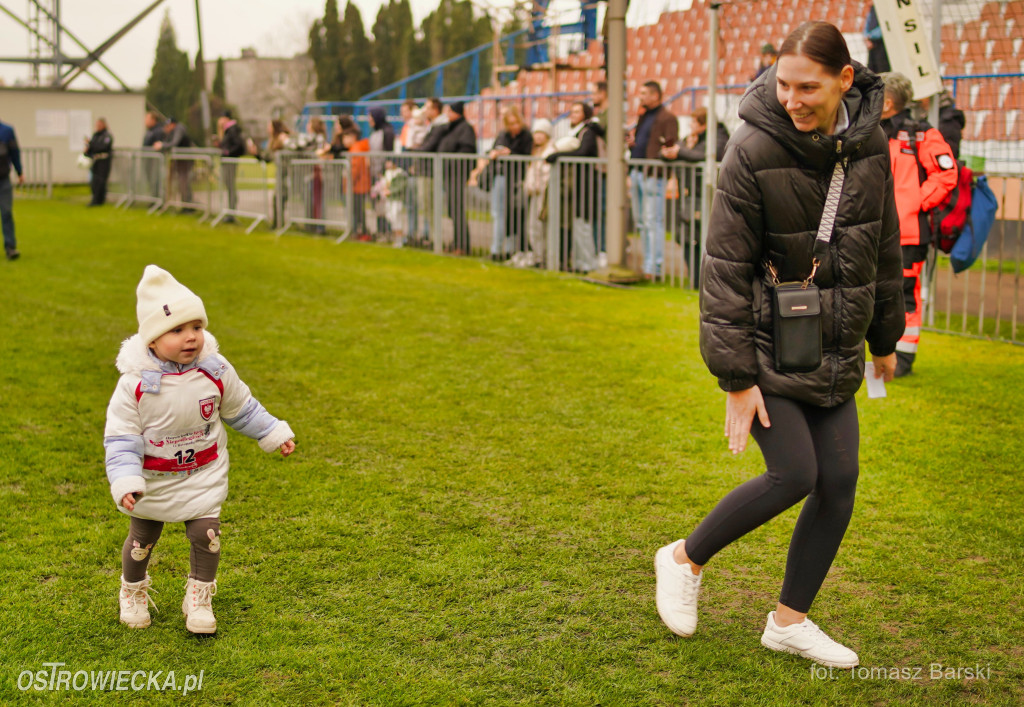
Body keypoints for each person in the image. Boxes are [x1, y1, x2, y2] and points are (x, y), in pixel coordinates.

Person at [656, 21, 904, 669]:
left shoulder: (872, 143)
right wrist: (736, 374)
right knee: (796, 471)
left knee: (840, 480)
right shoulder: (749, 147)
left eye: (808, 87)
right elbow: (724, 268)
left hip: (837, 341)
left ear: (846, 79)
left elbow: (882, 244)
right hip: (768, 341)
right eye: (782, 83)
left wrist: (885, 336)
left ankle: (788, 621)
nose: (791, 97)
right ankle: (683, 557)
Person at [105, 265, 295, 633]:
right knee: (143, 537)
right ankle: (132, 591)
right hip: (153, 476)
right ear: (152, 340)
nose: (191, 337)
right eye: (176, 330)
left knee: (205, 534)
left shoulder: (215, 369)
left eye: (196, 327)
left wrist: (271, 431)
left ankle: (199, 598)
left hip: (203, 471)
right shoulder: (134, 386)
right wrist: (126, 478)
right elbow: (122, 437)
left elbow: (242, 407)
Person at [879, 72, 958, 378]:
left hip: (909, 234)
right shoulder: (869, 131)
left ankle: (904, 359)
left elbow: (946, 174)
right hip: (873, 232)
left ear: (887, 102)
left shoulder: (923, 135)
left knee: (906, 294)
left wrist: (915, 203)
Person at [660, 107, 730, 286]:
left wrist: (679, 152)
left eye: (693, 122)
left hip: (708, 195)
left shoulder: (718, 136)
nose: (690, 126)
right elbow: (679, 151)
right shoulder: (690, 138)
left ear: (704, 124)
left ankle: (707, 280)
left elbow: (708, 156)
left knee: (704, 239)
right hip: (690, 196)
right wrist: (668, 153)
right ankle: (695, 279)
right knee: (684, 236)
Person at [628, 81, 678, 279]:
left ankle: (654, 268)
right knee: (641, 222)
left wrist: (661, 155)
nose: (640, 96)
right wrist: (634, 144)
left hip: (653, 175)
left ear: (655, 95)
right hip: (638, 172)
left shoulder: (668, 118)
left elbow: (670, 145)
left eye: (643, 93)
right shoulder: (643, 115)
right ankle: (647, 264)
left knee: (652, 221)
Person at [470, 105, 532, 260]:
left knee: (509, 214)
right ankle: (498, 249)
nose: (514, 127)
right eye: (510, 124)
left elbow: (526, 155)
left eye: (516, 123)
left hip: (516, 179)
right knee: (499, 213)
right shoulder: (503, 135)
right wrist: (495, 153)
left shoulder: (526, 136)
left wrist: (510, 153)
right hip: (500, 177)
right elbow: (492, 150)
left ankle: (504, 250)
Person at [546, 102, 602, 272]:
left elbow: (583, 152)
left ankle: (589, 264)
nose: (574, 114)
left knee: (583, 225)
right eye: (572, 111)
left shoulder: (588, 131)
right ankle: (579, 262)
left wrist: (558, 155)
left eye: (578, 111)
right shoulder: (573, 131)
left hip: (585, 184)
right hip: (574, 184)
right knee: (575, 225)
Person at [437, 101, 477, 255]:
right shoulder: (450, 128)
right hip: (449, 173)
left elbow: (467, 150)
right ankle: (456, 241)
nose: (447, 114)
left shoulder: (465, 128)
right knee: (452, 210)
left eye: (450, 111)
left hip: (458, 173)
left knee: (458, 209)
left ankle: (462, 244)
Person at [522, 118, 555, 268]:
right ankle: (537, 256)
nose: (538, 136)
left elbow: (546, 176)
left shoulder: (550, 151)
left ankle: (545, 258)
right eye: (536, 133)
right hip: (534, 194)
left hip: (544, 195)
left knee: (542, 227)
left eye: (542, 133)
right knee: (532, 227)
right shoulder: (535, 151)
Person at [153, 116, 195, 208]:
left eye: (168, 126)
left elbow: (174, 143)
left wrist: (162, 145)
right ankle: (184, 204)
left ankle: (188, 206)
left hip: (185, 161)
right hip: (180, 162)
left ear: (173, 124)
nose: (167, 128)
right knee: (180, 184)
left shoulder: (179, 129)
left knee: (184, 183)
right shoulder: (173, 131)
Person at [214, 112, 247, 221]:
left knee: (230, 186)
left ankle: (231, 212)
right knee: (228, 185)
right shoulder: (228, 130)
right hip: (227, 161)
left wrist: (228, 152)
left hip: (230, 161)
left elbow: (238, 145)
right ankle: (230, 211)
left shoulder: (232, 130)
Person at [341, 126, 372, 239]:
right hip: (358, 185)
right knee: (358, 211)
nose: (343, 140)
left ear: (352, 137)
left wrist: (348, 184)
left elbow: (355, 169)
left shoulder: (356, 149)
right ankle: (360, 232)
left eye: (345, 137)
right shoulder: (355, 148)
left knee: (358, 212)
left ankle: (363, 233)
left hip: (357, 186)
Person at [0, 117, 23, 260]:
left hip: (3, 179)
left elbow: (15, 152)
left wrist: (20, 172)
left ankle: (10, 247)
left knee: (6, 212)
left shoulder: (7, 131)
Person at [84, 118, 114, 207]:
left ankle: (99, 200)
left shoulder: (107, 136)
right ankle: (95, 199)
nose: (98, 127)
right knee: (94, 181)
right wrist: (87, 150)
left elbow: (103, 147)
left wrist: (91, 144)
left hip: (104, 161)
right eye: (97, 125)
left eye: (100, 125)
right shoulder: (95, 135)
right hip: (96, 160)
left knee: (101, 181)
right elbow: (91, 148)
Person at [142, 112, 165, 199]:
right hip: (148, 161)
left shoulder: (158, 131)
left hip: (154, 162)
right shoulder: (149, 131)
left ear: (153, 120)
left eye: (147, 119)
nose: (145, 121)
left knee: (155, 181)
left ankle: (158, 199)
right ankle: (153, 198)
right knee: (150, 181)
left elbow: (157, 146)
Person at [864, 5, 890, 74]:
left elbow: (886, 27)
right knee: (872, 70)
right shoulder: (873, 8)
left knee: (883, 70)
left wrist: (870, 36)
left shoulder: (885, 7)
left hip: (883, 45)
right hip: (873, 45)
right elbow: (867, 24)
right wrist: (866, 38)